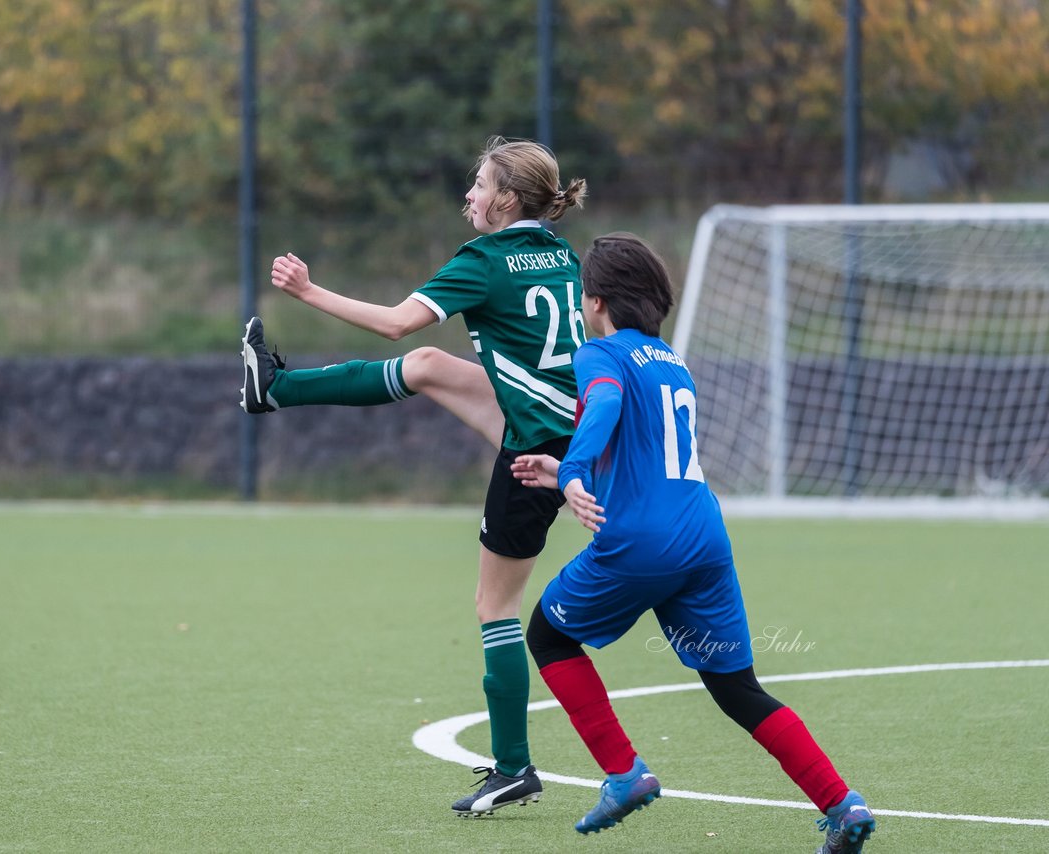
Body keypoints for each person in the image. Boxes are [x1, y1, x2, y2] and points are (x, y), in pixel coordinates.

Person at [240, 136, 587, 816]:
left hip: (536, 449)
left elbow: (395, 323)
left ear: (508, 199)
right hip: (570, 425)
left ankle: (513, 767)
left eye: (479, 185)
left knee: (495, 609)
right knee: (429, 367)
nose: (469, 195)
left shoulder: (486, 260)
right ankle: (273, 389)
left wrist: (308, 291)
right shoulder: (559, 252)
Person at [510, 232, 877, 852]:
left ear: (594, 302)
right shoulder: (669, 359)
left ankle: (624, 773)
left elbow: (601, 405)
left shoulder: (601, 354)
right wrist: (569, 474)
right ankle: (843, 804)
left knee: (547, 634)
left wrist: (570, 472)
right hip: (703, 540)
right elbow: (647, 453)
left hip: (642, 544)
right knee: (737, 688)